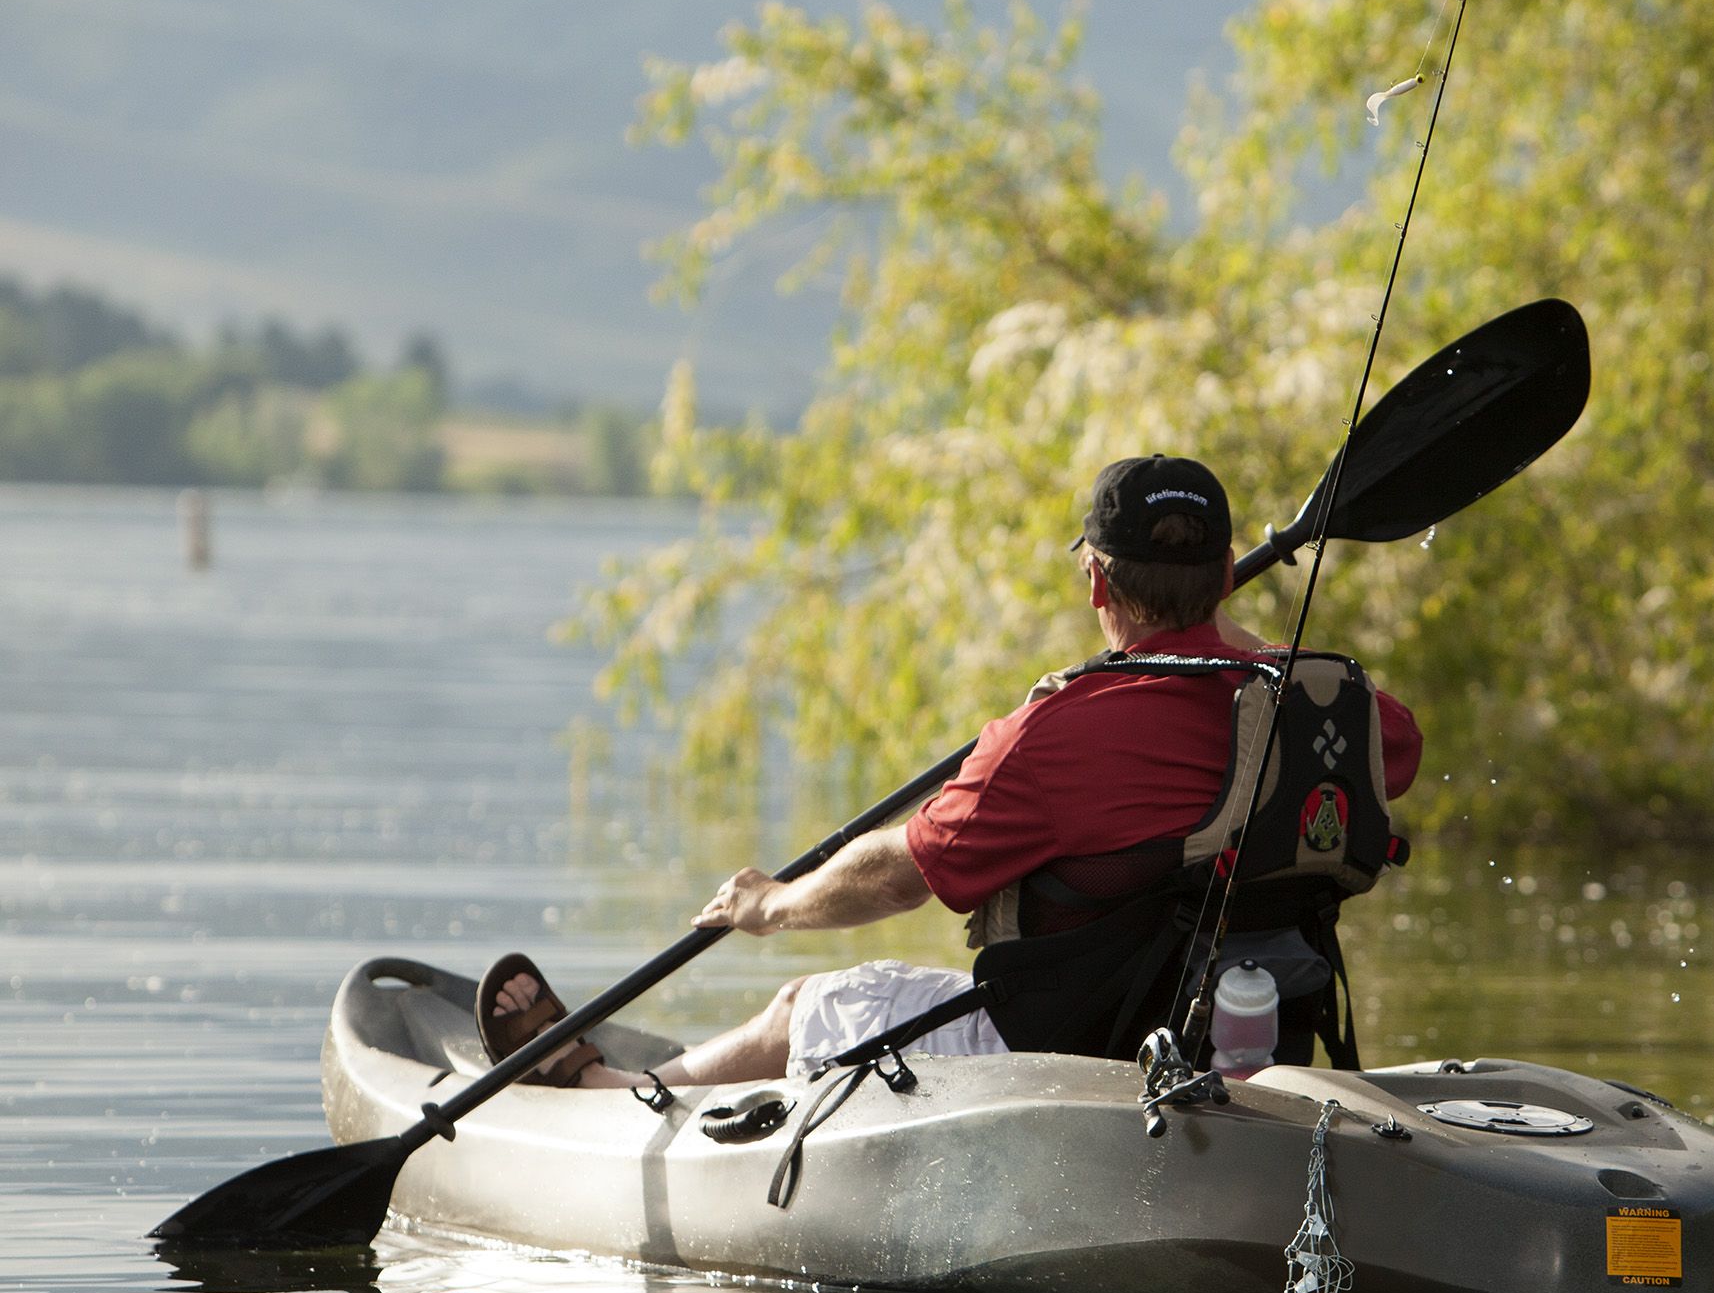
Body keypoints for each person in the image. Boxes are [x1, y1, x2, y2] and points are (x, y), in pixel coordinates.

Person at [477, 455, 1420, 1092]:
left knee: (808, 1003)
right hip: (1247, 1037)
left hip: (1069, 1057)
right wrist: (1238, 649)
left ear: (1097, 583)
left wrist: (769, 905)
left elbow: (903, 873)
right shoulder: (1329, 712)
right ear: (1223, 576)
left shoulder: (1051, 736)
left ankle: (607, 1090)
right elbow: (1400, 754)